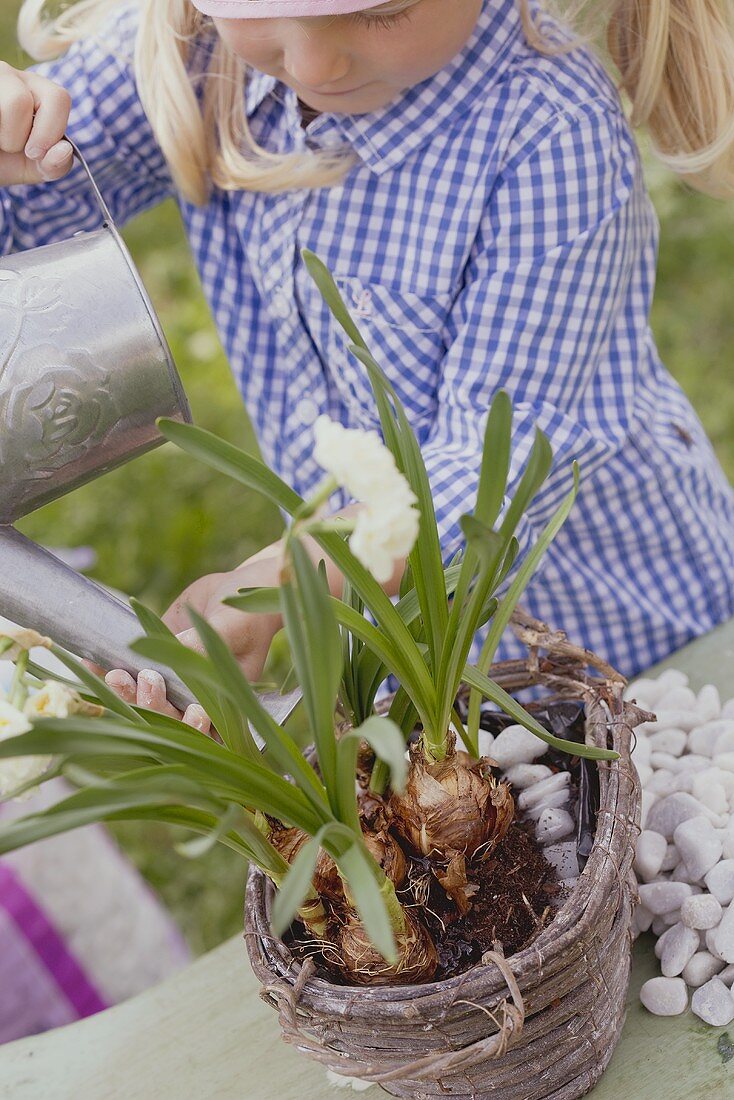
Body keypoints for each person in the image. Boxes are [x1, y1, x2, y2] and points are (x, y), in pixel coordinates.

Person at [2, 0, 734, 722]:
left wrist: (283, 582)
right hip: (402, 654)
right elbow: (20, 231)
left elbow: (502, 456)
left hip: (618, 638)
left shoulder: (548, 128)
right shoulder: (193, 48)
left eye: (386, 11)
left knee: (653, 821)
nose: (315, 63)